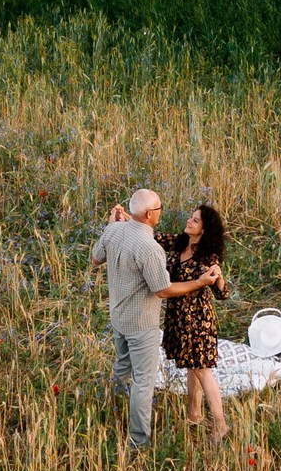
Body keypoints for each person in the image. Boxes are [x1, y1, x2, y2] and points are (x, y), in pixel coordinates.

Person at [88, 189, 220, 450]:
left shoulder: (113, 231)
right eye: (159, 209)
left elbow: (95, 258)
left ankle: (111, 407)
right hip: (141, 324)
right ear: (150, 214)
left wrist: (113, 224)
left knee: (122, 365)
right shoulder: (150, 249)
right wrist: (199, 282)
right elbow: (162, 289)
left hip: (118, 316)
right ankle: (139, 440)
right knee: (143, 382)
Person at [159, 203, 229, 442]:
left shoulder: (208, 257)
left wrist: (218, 278)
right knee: (192, 367)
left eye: (195, 220)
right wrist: (129, 218)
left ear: (205, 229)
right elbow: (154, 237)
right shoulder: (180, 243)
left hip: (198, 319)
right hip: (179, 318)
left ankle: (220, 424)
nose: (189, 221)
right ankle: (194, 414)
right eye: (190, 217)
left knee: (201, 369)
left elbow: (222, 293)